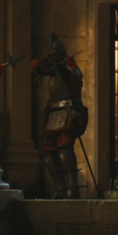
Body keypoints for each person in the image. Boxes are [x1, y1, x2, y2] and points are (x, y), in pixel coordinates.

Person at [33, 33, 88, 199]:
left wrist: (62, 69)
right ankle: (60, 188)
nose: (53, 60)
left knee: (64, 151)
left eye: (55, 57)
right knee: (48, 154)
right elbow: (35, 65)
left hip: (68, 112)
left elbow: (74, 79)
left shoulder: (70, 66)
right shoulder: (52, 71)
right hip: (53, 113)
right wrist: (46, 67)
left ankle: (73, 188)